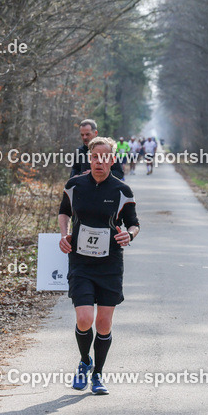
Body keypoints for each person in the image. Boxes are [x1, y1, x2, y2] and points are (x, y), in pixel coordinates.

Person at [58, 137, 140, 395]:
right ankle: (84, 362)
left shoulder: (121, 191)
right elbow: (64, 212)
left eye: (105, 158)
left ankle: (98, 375)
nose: (99, 162)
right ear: (89, 158)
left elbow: (134, 223)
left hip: (110, 265)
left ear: (112, 160)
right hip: (81, 261)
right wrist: (63, 233)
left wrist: (130, 234)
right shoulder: (75, 185)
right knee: (85, 319)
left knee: (103, 325)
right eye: (95, 157)